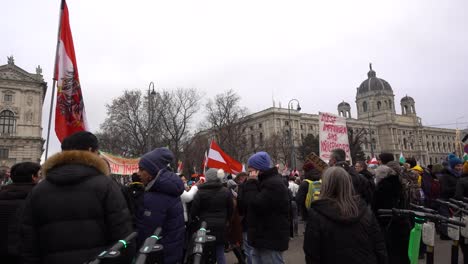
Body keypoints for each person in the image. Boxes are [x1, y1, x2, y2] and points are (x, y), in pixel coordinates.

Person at [21, 131, 134, 264]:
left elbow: (27, 242)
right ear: (91, 150)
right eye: (98, 152)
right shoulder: (107, 186)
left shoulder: (39, 190)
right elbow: (123, 238)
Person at [303, 166, 387, 264]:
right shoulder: (365, 211)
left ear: (325, 185)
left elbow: (312, 254)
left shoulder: (316, 215)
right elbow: (379, 247)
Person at [238, 151, 289, 264]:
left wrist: (251, 183)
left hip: (270, 240)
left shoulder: (273, 184)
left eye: (251, 170)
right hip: (262, 238)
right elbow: (244, 205)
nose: (249, 174)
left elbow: (254, 204)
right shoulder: (264, 182)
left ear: (259, 169)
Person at [136, 147, 185, 264]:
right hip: (171, 253)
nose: (138, 173)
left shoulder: (155, 196)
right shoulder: (168, 191)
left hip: (157, 256)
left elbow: (146, 232)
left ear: (152, 171)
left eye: (141, 169)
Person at [0, 162, 40, 264]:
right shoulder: (40, 200)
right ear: (33, 177)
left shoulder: (2, 194)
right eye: (39, 175)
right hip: (28, 257)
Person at [190, 168, 233, 264]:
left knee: (203, 251)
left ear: (207, 178)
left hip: (204, 226)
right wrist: (227, 220)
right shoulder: (226, 191)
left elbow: (194, 211)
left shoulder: (200, 192)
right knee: (220, 251)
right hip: (221, 226)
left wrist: (197, 220)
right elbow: (231, 209)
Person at [372, 161, 410, 264]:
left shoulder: (381, 188)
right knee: (402, 254)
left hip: (388, 228)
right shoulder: (399, 184)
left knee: (391, 255)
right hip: (402, 225)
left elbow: (375, 209)